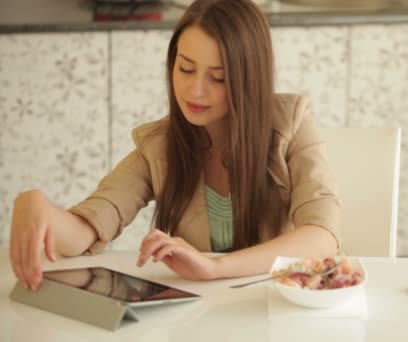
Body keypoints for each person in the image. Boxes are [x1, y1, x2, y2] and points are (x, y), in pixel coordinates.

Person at [9, 0, 341, 291]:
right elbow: (87, 230)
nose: (194, 90)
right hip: (195, 315)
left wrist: (214, 268)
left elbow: (322, 235)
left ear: (248, 79)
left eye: (218, 77)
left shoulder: (292, 120)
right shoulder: (157, 145)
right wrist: (36, 205)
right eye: (185, 68)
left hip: (272, 304)